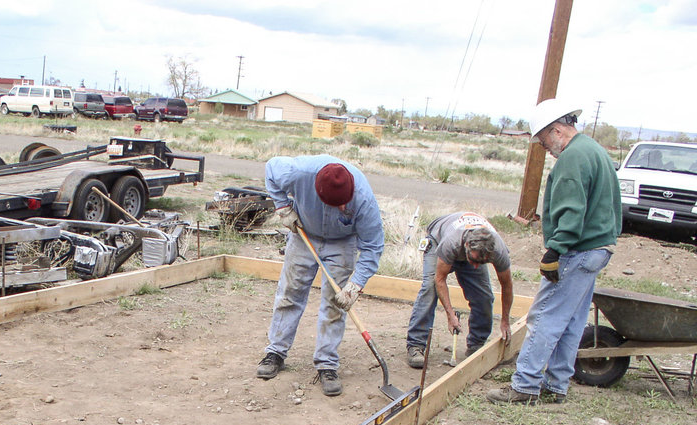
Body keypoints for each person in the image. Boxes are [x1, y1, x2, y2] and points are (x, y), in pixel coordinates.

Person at [487, 100, 621, 405]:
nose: (545, 148)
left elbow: (572, 211)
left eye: (545, 140)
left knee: (544, 317)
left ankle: (524, 385)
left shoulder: (573, 158)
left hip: (578, 250)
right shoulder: (594, 150)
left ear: (557, 130)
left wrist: (555, 250)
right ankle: (556, 383)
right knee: (572, 319)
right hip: (598, 248)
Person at [256, 155, 384, 396]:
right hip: (303, 233)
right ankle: (276, 352)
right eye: (337, 205)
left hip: (342, 242)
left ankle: (327, 364)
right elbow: (271, 169)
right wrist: (283, 208)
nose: (344, 208)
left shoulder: (364, 199)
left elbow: (373, 247)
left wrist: (355, 285)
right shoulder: (297, 172)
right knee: (290, 295)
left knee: (336, 304)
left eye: (346, 203)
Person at [405, 212, 513, 368]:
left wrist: (505, 321)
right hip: (438, 239)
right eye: (474, 261)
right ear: (467, 246)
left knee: (484, 296)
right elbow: (439, 280)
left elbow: (507, 286)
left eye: (482, 262)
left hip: (470, 248)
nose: (476, 266)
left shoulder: (498, 249)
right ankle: (416, 345)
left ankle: (477, 344)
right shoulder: (451, 243)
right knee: (429, 288)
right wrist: (450, 314)